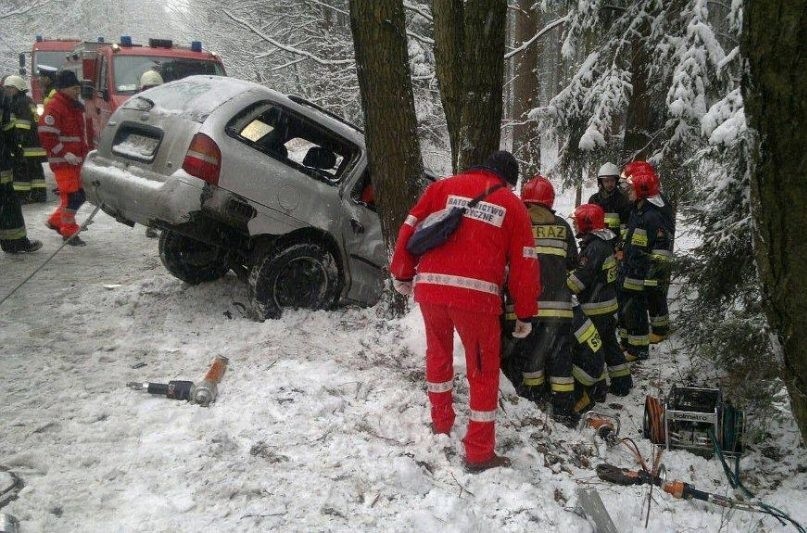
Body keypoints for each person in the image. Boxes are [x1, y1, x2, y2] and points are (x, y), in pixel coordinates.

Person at [390, 150, 540, 473]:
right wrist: (525, 313)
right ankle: (478, 451)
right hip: (476, 298)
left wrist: (402, 271)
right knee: (483, 371)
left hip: (431, 289)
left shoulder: (442, 188)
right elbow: (525, 263)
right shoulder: (512, 206)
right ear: (508, 181)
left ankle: (440, 422)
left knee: (438, 355)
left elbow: (410, 225)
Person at [502, 175, 580, 427]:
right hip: (559, 311)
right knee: (560, 362)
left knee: (531, 361)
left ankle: (533, 404)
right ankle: (564, 411)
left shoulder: (515, 223)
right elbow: (572, 263)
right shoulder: (562, 226)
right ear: (550, 201)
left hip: (524, 309)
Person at [568, 203, 632, 397]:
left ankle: (598, 389)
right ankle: (622, 382)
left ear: (586, 224)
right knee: (610, 345)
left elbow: (578, 282)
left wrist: (561, 284)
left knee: (593, 350)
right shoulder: (602, 244)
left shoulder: (594, 248)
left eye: (577, 222)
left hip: (595, 310)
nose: (575, 226)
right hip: (607, 307)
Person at [617, 163, 674, 360]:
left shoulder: (652, 216)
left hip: (640, 272)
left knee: (637, 309)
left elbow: (659, 249)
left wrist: (652, 277)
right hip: (631, 268)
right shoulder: (638, 210)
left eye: (631, 188)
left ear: (641, 191)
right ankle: (628, 343)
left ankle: (638, 348)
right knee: (629, 308)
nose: (628, 192)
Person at [38, 70, 89, 246]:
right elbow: (46, 135)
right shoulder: (55, 107)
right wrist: (63, 153)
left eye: (78, 88)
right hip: (63, 162)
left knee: (79, 195)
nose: (77, 91)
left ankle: (55, 221)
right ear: (64, 88)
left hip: (74, 160)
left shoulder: (72, 105)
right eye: (74, 88)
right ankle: (68, 231)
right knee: (72, 196)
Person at [0, 84, 42, 253]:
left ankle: (15, 242)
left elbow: (8, 128)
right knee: (8, 204)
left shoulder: (3, 98)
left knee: (9, 204)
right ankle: (15, 242)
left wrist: (16, 151)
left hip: (2, 164)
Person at [3, 75, 48, 203]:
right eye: (6, 88)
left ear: (19, 88)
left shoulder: (19, 102)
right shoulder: (27, 100)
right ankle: (39, 194)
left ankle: (22, 196)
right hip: (34, 143)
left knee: (21, 170)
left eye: (10, 88)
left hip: (25, 144)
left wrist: (17, 140)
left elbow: (23, 124)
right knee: (35, 171)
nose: (7, 91)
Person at [138, 69, 164, 238]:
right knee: (150, 190)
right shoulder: (140, 107)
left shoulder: (163, 105)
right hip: (146, 154)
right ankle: (151, 223)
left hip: (157, 153)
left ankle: (155, 223)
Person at [588, 162, 632, 246]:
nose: (609, 184)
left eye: (612, 180)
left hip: (615, 245)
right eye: (606, 181)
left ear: (616, 181)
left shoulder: (622, 200)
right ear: (601, 182)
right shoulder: (594, 200)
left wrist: (621, 247)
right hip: (597, 244)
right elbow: (589, 225)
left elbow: (625, 227)